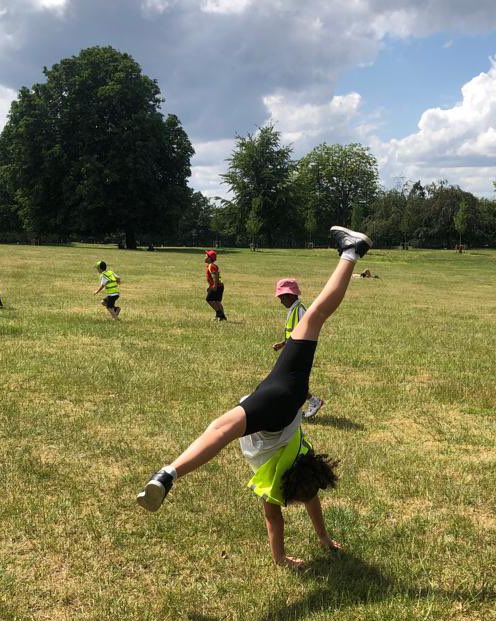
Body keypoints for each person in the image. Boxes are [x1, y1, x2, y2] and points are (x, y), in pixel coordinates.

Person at [137, 226, 372, 566]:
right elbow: (275, 519)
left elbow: (310, 497)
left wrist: (320, 536)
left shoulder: (300, 455)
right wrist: (288, 555)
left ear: (310, 463)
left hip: (289, 394)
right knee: (218, 430)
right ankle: (168, 473)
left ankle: (351, 252)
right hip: (273, 405)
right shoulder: (272, 480)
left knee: (316, 315)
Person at [272, 278, 324, 419]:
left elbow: (306, 331)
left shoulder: (300, 310)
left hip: (299, 351)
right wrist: (283, 344)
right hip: (292, 349)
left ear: (290, 295)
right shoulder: (293, 309)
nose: (281, 301)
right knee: (291, 381)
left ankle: (314, 401)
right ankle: (299, 406)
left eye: (282, 298)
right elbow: (295, 331)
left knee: (292, 382)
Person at [204, 249, 226, 321]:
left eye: (206, 256)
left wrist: (214, 286)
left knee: (209, 299)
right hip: (219, 286)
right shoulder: (211, 265)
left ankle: (219, 314)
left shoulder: (211, 266)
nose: (204, 257)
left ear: (210, 258)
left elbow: (215, 276)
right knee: (216, 301)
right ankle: (222, 316)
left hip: (217, 286)